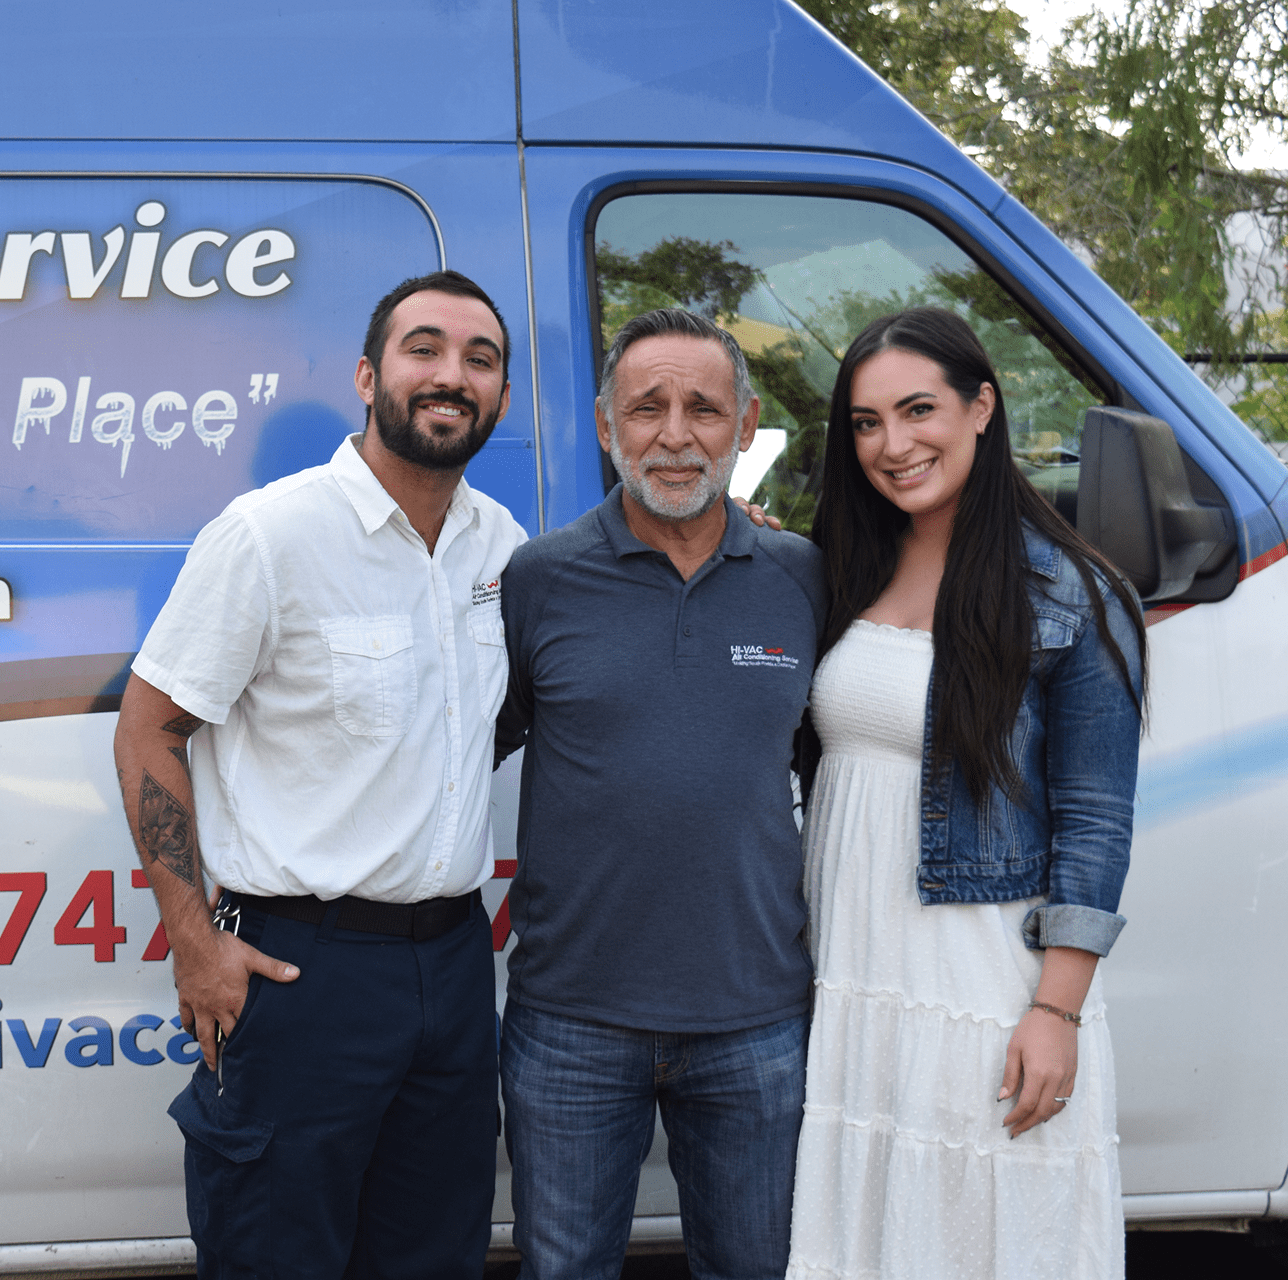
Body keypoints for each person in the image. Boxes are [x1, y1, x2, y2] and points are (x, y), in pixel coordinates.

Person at [112, 270, 527, 1280]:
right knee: (277, 1254)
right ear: (368, 374)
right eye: (424, 348)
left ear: (501, 396)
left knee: (435, 1257)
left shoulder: (506, 547)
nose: (451, 374)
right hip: (303, 969)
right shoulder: (270, 533)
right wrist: (192, 941)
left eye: (480, 358)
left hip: (455, 965)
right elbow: (148, 730)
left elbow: (492, 721)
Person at [785, 307, 1145, 1280]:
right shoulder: (846, 565)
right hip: (856, 973)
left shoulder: (1071, 592)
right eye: (865, 422)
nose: (893, 446)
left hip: (978, 984)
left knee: (984, 1231)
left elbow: (1097, 819)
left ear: (982, 405)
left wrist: (1056, 1012)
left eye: (918, 410)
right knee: (875, 1237)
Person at [496, 307, 827, 1280]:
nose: (675, 434)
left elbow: (831, 758)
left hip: (757, 1019)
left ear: (746, 424)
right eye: (647, 408)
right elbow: (470, 747)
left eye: (704, 408)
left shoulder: (803, 575)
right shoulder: (538, 581)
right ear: (606, 426)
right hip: (570, 1024)